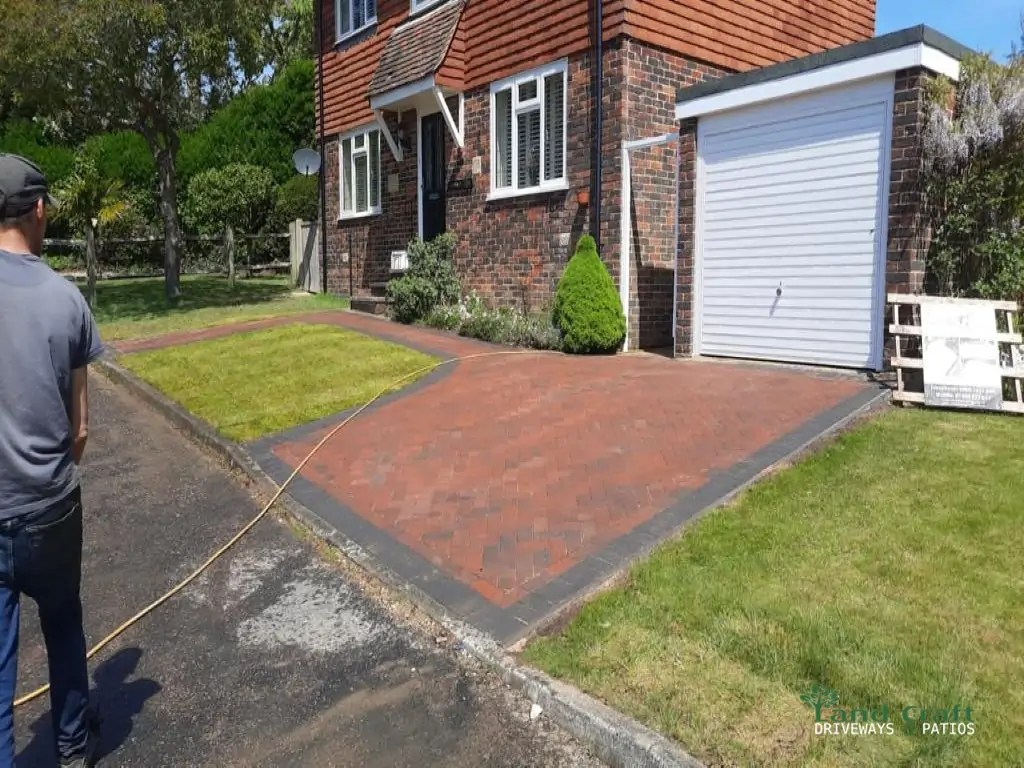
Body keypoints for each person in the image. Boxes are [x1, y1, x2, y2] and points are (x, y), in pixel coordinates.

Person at [0, 153, 103, 766]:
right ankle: (71, 746)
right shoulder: (68, 300)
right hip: (49, 507)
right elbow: (81, 428)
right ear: (38, 210)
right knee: (63, 623)